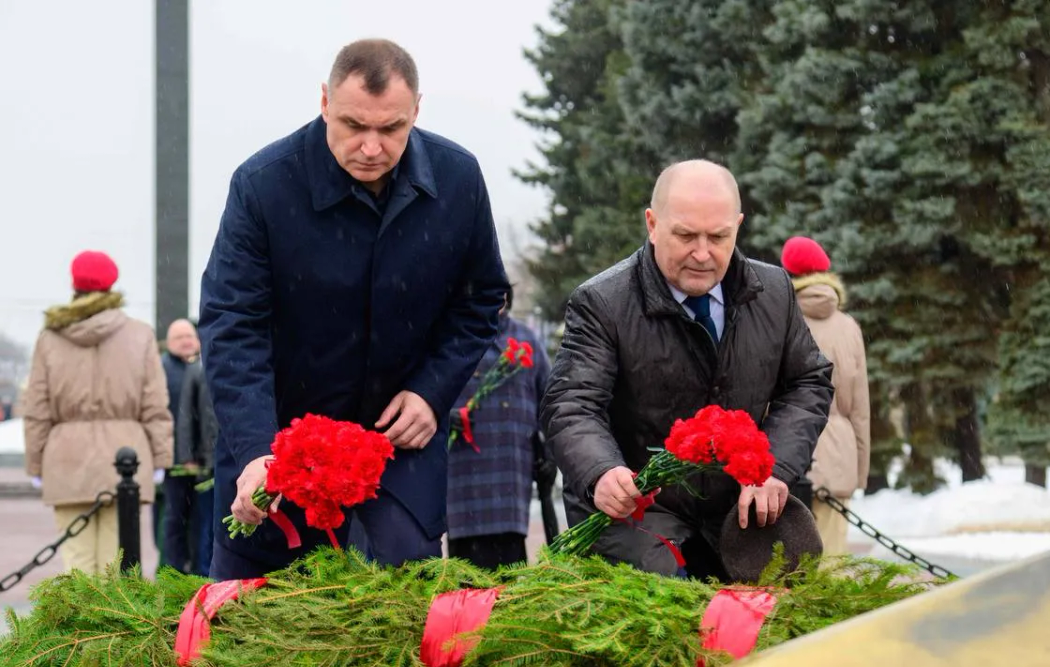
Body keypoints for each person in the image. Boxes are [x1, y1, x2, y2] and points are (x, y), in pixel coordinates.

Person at [199, 39, 509, 580]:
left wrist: (433, 392)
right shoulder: (263, 185)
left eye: (391, 129)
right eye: (352, 125)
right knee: (256, 630)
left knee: (400, 621)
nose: (370, 147)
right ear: (323, 101)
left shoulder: (458, 178)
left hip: (398, 452)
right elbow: (233, 325)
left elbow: (482, 298)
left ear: (417, 110)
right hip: (280, 447)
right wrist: (255, 450)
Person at [541, 160, 834, 580]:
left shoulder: (774, 294)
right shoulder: (602, 303)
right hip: (639, 515)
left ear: (738, 225)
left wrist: (773, 465)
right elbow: (571, 405)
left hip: (736, 516)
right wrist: (602, 471)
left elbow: (808, 382)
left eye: (718, 237)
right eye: (685, 235)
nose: (702, 253)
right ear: (652, 224)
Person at [23, 251, 172, 574]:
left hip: (66, 459)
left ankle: (77, 625)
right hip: (128, 454)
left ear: (74, 284)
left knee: (76, 565)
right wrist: (161, 458)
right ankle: (114, 626)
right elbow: (155, 404)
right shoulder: (139, 334)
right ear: (112, 284)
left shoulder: (50, 338)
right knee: (119, 565)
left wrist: (35, 462)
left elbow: (36, 407)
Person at [445, 295, 554, 569]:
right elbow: (424, 399)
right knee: (464, 577)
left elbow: (551, 404)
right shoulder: (449, 337)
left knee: (508, 572)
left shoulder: (525, 339)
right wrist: (444, 418)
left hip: (509, 481)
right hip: (463, 480)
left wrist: (551, 454)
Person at [781, 236, 870, 555]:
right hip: (839, 452)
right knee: (832, 563)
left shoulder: (780, 319)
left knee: (787, 564)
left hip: (788, 451)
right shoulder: (848, 326)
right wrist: (859, 470)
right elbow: (860, 408)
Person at [159, 318, 202, 573]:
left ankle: (197, 569)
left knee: (200, 519)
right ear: (169, 342)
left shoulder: (203, 365)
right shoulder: (162, 369)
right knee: (174, 518)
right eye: (179, 337)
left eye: (190, 336)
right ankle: (172, 571)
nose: (186, 341)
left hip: (202, 459)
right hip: (174, 458)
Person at [178, 356, 219, 576]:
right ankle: (204, 573)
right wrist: (188, 456)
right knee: (205, 523)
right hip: (207, 462)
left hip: (231, 459)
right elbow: (186, 417)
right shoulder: (195, 370)